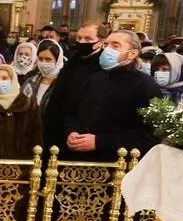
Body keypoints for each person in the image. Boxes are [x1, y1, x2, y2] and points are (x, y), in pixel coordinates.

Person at [67, 30, 162, 161]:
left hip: (118, 162)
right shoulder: (94, 79)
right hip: (82, 159)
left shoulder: (145, 85)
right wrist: (72, 132)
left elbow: (150, 135)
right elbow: (73, 113)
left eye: (115, 46)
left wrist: (99, 141)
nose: (107, 49)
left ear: (132, 54)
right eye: (106, 45)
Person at [42, 21, 108, 154]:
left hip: (83, 135)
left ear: (101, 42)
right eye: (79, 38)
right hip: (58, 129)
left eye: (88, 39)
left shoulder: (104, 67)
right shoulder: (71, 62)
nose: (82, 42)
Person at [0, 64, 42, 159]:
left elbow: (35, 139)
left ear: (12, 79)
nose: (0, 82)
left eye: (5, 78)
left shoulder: (29, 105)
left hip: (21, 167)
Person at [21, 39, 64, 112]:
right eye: (40, 59)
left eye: (48, 59)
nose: (43, 63)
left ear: (57, 61)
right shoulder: (30, 81)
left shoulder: (64, 84)